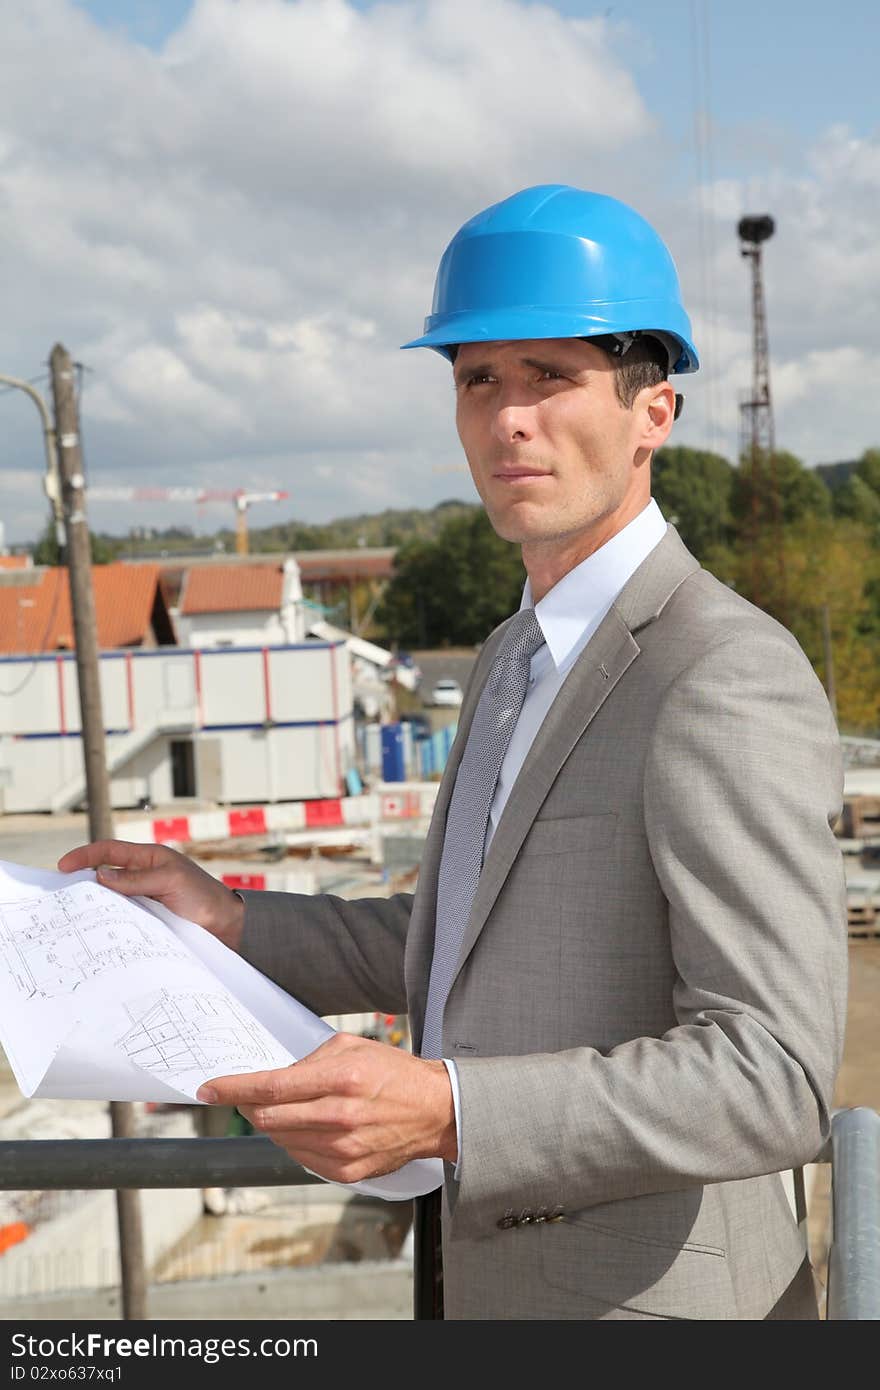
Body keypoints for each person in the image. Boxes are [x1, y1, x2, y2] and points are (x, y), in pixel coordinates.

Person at [58, 184, 847, 1321]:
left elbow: (770, 1076)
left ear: (653, 411)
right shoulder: (508, 659)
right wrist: (232, 919)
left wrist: (450, 1109)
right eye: (479, 377)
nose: (508, 417)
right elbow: (466, 943)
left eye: (552, 375)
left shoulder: (718, 669)